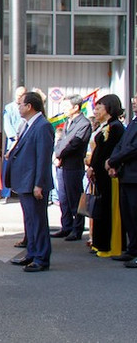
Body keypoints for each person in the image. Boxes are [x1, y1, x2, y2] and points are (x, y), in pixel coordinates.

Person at [5, 91, 55, 272]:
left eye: (21, 104)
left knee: (38, 221)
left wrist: (39, 184)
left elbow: (43, 157)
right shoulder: (28, 125)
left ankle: (41, 258)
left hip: (34, 182)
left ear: (29, 106)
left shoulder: (42, 126)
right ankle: (32, 253)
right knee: (30, 221)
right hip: (25, 181)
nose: (18, 108)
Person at [87, 94, 124, 258]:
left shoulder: (115, 127)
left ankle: (109, 245)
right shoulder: (104, 126)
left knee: (109, 209)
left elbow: (110, 152)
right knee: (101, 209)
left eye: (99, 108)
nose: (95, 111)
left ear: (109, 108)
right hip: (99, 174)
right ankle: (99, 243)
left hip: (109, 175)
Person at [51, 94, 92, 241]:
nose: (64, 110)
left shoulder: (84, 123)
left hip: (73, 165)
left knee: (75, 198)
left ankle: (77, 228)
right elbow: (60, 140)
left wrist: (60, 155)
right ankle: (66, 226)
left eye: (66, 107)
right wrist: (57, 154)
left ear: (76, 107)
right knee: (63, 198)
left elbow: (75, 144)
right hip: (61, 164)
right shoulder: (68, 122)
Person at [106, 93, 137, 267]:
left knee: (135, 214)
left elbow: (133, 148)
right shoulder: (133, 122)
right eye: (133, 99)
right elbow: (121, 144)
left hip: (135, 175)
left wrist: (113, 161)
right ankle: (132, 249)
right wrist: (112, 162)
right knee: (128, 215)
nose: (134, 102)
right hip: (126, 174)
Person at [1, 86, 27, 203]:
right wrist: (14, 136)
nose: (19, 97)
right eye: (17, 95)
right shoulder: (9, 107)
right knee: (8, 167)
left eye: (21, 95)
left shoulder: (27, 107)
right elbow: (7, 124)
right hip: (12, 140)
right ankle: (6, 193)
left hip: (24, 140)